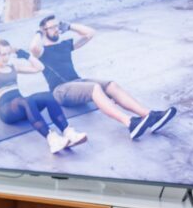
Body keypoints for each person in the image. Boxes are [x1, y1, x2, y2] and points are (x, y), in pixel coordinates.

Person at [30, 14, 177, 141]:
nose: (56, 29)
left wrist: (69, 26)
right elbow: (33, 48)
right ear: (44, 30)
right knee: (95, 88)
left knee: (111, 85)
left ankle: (149, 116)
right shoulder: (42, 51)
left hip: (78, 82)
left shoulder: (65, 45)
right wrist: (39, 32)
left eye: (57, 25)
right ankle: (130, 123)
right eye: (52, 27)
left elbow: (90, 33)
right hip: (61, 91)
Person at [0, 38, 88, 154]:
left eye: (8, 53)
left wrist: (23, 53)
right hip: (7, 110)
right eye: (2, 54)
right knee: (25, 101)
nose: (6, 57)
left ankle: (68, 132)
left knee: (48, 96)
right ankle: (52, 139)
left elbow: (40, 68)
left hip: (23, 105)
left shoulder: (13, 67)